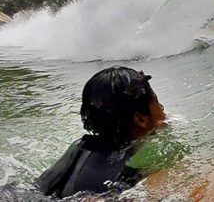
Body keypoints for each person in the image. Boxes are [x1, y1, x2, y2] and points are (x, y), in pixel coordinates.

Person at [37, 66, 166, 198]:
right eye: (157, 103)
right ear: (141, 119)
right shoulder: (138, 161)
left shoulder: (79, 147)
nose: (162, 108)